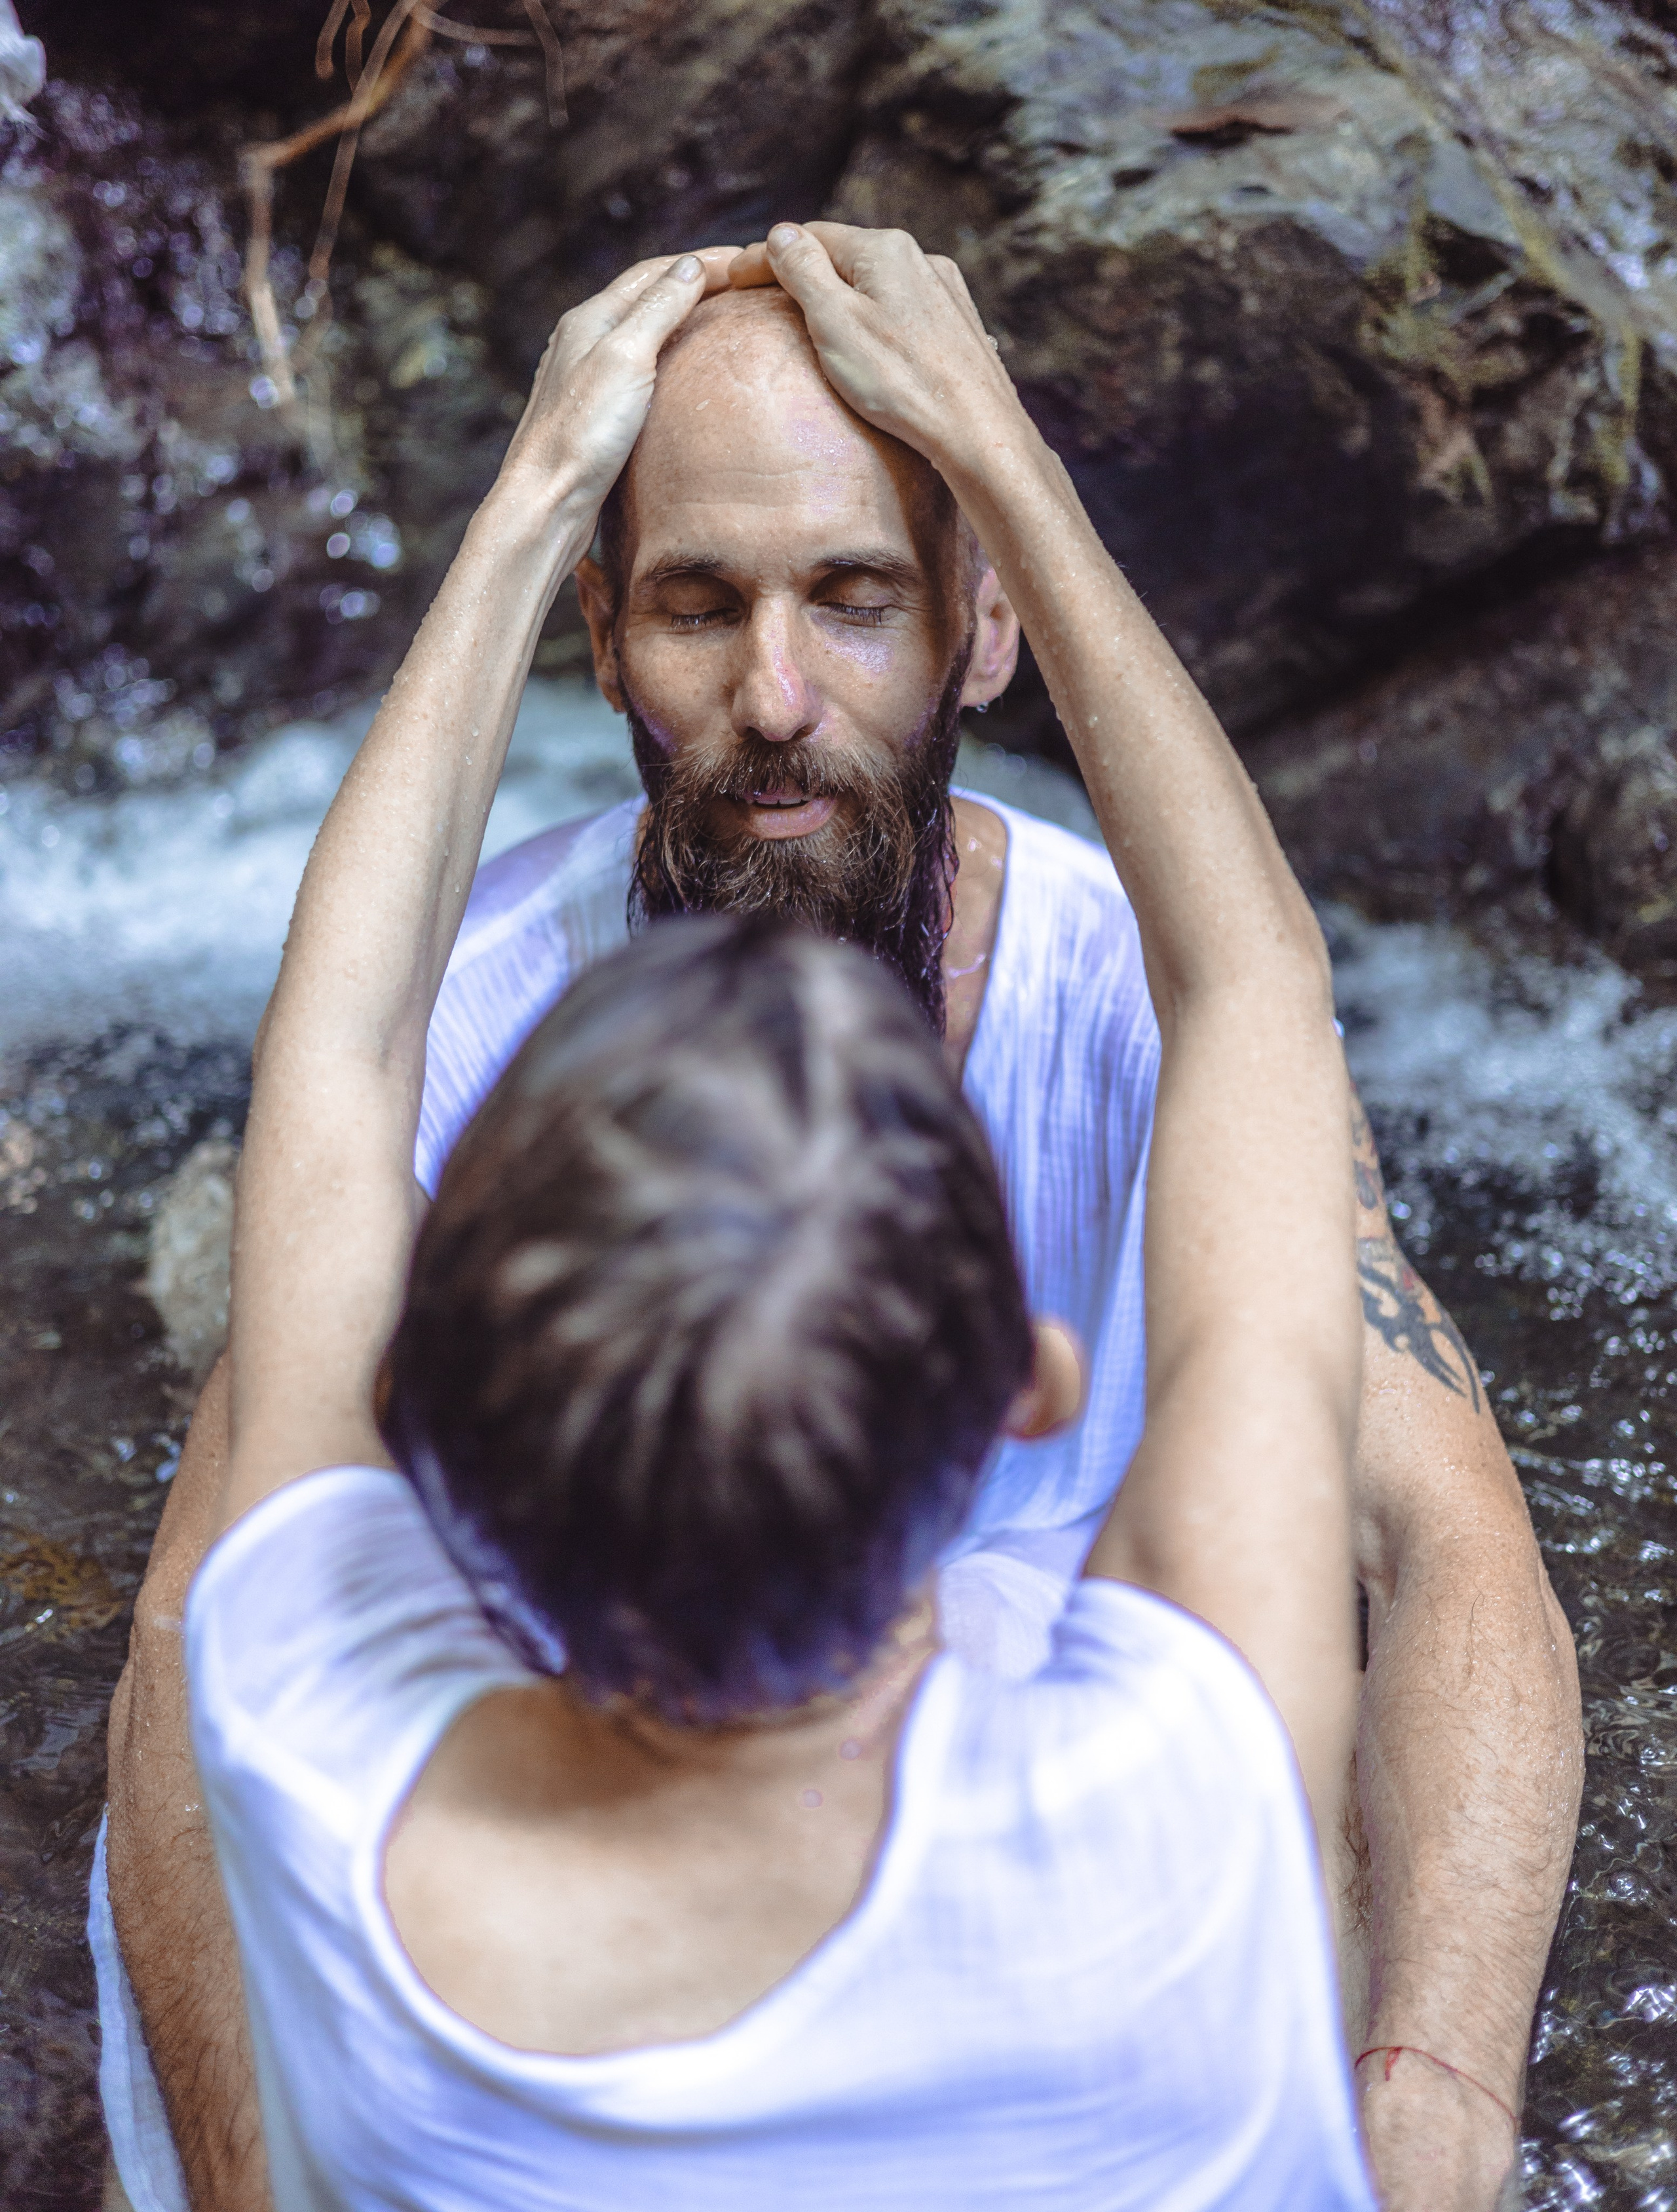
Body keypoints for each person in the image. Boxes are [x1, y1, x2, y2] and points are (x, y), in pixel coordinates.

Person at [98, 229, 1581, 2211]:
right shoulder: (1175, 1785)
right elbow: (1265, 985)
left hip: (550, 1874)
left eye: (858, 597)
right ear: (603, 632)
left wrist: (1438, 2080)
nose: (778, 696)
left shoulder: (1101, 992)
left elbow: (1456, 1538)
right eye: (700, 606)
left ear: (982, 626)